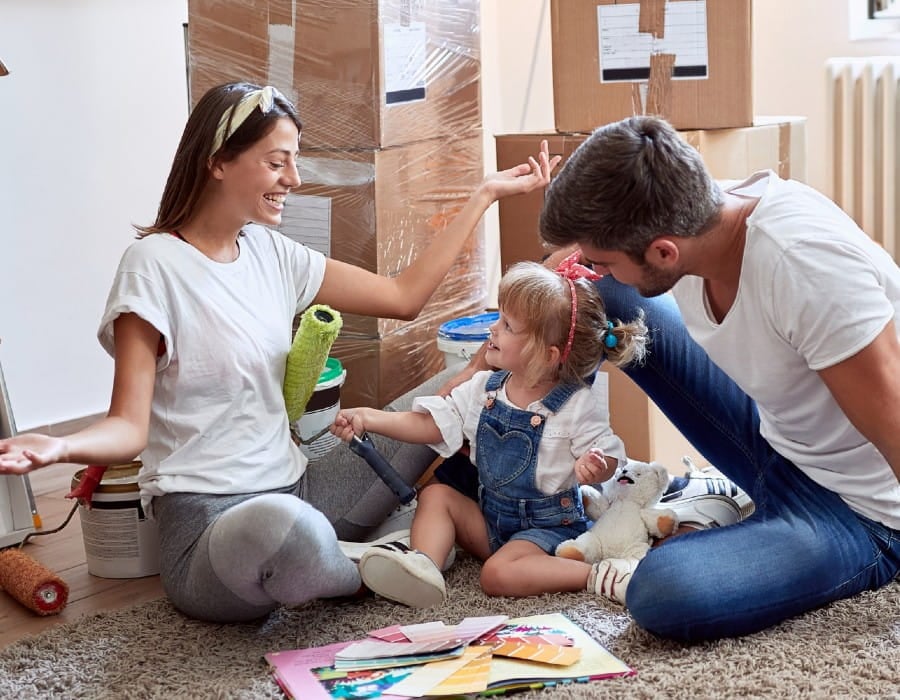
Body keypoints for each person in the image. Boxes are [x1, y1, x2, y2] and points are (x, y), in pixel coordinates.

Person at [0, 81, 559, 624]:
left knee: (457, 385)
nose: (292, 178)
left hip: (305, 489)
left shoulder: (270, 251)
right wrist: (60, 446)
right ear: (218, 161)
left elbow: (403, 298)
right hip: (213, 528)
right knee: (282, 526)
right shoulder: (152, 268)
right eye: (276, 162)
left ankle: (370, 553)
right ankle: (367, 567)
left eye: (293, 162)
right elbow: (128, 427)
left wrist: (483, 195)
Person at [536, 114, 900, 642]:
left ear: (664, 252)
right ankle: (733, 506)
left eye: (606, 259)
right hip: (781, 440)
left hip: (861, 507)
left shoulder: (806, 269)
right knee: (594, 295)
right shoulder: (695, 209)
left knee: (663, 592)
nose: (595, 266)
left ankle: (760, 533)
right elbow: (573, 265)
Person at [330, 258, 649, 607]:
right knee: (436, 496)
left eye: (507, 325)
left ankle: (598, 574)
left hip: (546, 530)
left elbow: (610, 455)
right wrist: (370, 418)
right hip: (493, 520)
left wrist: (595, 466)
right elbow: (430, 424)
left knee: (495, 576)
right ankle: (423, 568)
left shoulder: (575, 404)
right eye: (499, 318)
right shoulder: (484, 389)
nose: (493, 330)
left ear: (546, 354)